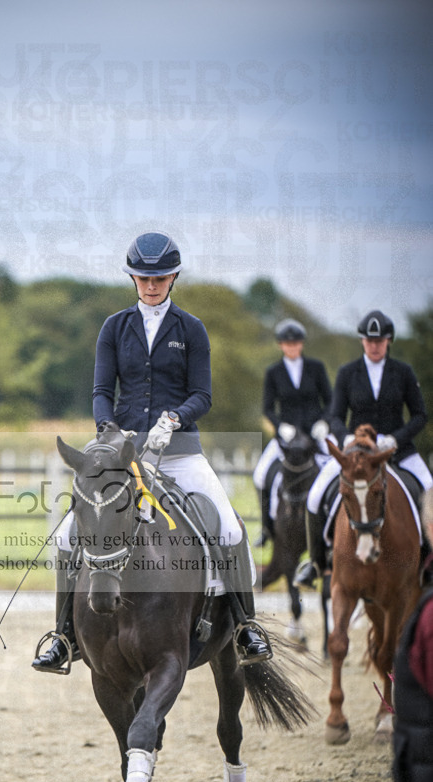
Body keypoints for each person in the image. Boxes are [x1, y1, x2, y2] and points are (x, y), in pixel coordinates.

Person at [33, 231, 272, 672]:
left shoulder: (191, 329)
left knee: (231, 530)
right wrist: (110, 431)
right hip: (123, 454)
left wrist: (174, 419)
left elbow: (202, 394)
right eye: (143, 277)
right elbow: (102, 391)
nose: (151, 284)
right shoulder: (114, 327)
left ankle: (245, 627)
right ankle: (63, 636)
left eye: (159, 277)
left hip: (179, 451)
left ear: (173, 277)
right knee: (68, 535)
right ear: (133, 278)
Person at [295, 309, 432, 589]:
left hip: (398, 450)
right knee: (315, 494)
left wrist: (394, 439)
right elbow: (335, 415)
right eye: (369, 341)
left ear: (388, 341)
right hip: (356, 453)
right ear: (362, 341)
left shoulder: (403, 373)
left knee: (430, 490)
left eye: (380, 340)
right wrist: (345, 439)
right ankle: (316, 563)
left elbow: (420, 415)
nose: (374, 345)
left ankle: (428, 564)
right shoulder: (348, 373)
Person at [390, 485, 433, 782]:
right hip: (133, 457)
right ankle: (319, 558)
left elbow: (418, 412)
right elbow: (102, 406)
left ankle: (241, 618)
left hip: (393, 450)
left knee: (223, 518)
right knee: (280, 479)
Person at [252, 318, 332, 546]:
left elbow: (330, 401)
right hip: (287, 438)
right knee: (260, 475)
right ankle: (267, 528)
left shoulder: (316, 368)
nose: (292, 347)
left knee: (337, 470)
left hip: (316, 434)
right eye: (287, 343)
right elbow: (268, 408)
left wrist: (324, 422)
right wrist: (280, 427)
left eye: (296, 343)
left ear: (302, 344)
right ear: (281, 345)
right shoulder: (273, 372)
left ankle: (332, 526)